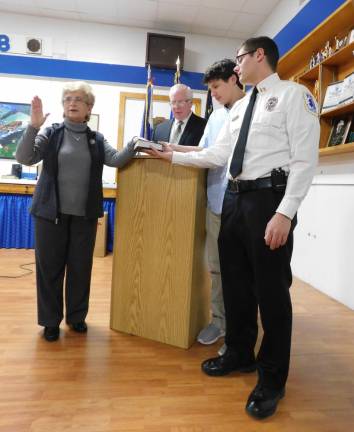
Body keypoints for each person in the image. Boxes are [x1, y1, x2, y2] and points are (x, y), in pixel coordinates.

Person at [148, 36, 320, 419]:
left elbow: (305, 159)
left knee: (272, 294)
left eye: (240, 59)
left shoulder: (294, 96)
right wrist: (172, 155)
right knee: (236, 284)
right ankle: (240, 353)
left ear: (260, 55)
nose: (236, 66)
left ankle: (272, 378)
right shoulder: (239, 109)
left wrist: (285, 213)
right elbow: (218, 155)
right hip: (234, 199)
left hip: (267, 202)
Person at [16, 81, 137, 342]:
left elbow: (116, 160)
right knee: (49, 269)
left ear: (89, 107)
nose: (72, 102)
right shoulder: (51, 133)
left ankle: (77, 317)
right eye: (68, 98)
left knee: (81, 269)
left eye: (79, 99)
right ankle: (50, 321)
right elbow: (25, 157)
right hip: (50, 215)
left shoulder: (96, 139)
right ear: (63, 105)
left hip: (84, 216)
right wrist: (33, 126)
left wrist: (135, 144)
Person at [165, 60, 244, 353]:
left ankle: (239, 330)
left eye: (215, 87)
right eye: (209, 90)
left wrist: (174, 158)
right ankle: (221, 321)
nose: (213, 95)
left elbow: (218, 157)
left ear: (234, 79)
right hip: (215, 202)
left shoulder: (248, 110)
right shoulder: (216, 117)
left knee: (238, 271)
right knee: (216, 269)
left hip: (240, 203)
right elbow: (206, 149)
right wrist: (173, 148)